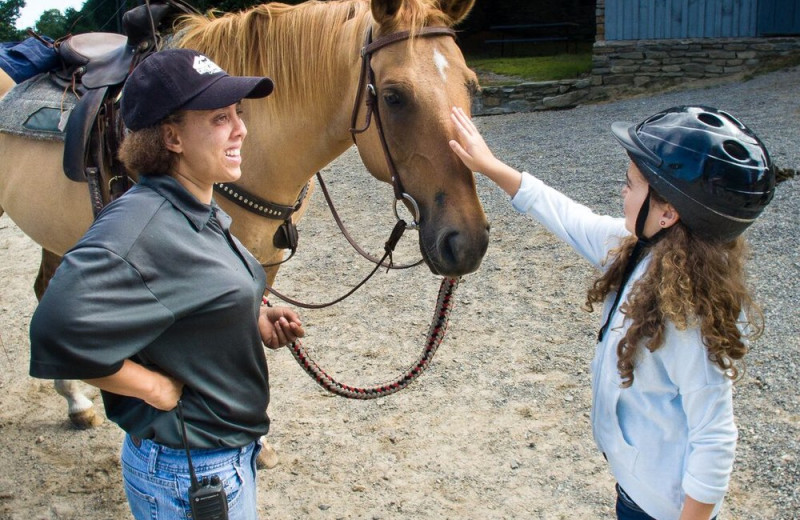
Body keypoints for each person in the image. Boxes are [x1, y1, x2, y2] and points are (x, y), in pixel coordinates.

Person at [448, 105, 776, 520]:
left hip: (660, 509)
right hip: (635, 490)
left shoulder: (687, 318)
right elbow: (568, 217)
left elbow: (714, 438)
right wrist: (491, 167)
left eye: (630, 184)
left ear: (667, 213)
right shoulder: (644, 250)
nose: (622, 191)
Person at [29, 48, 304, 520]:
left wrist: (251, 318)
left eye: (238, 113)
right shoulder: (139, 227)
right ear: (172, 137)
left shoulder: (195, 208)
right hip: (188, 475)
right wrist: (149, 386)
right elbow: (54, 332)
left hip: (218, 461)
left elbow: (183, 298)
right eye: (220, 118)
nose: (241, 129)